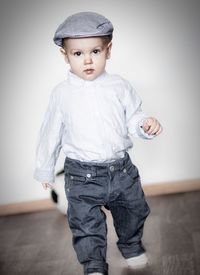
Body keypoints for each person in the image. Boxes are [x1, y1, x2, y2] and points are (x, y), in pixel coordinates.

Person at [34, 11, 162, 275]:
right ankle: (93, 265)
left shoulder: (119, 86)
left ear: (109, 50)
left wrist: (144, 125)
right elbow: (50, 133)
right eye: (77, 54)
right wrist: (45, 168)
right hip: (81, 176)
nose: (88, 60)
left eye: (95, 51)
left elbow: (133, 116)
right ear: (65, 55)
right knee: (85, 224)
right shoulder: (62, 94)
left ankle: (131, 245)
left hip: (121, 171)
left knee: (134, 211)